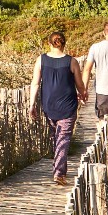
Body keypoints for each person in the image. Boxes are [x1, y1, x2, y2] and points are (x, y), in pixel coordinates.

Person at [36, 29, 87, 183]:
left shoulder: (41, 60)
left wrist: (32, 104)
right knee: (62, 139)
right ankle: (59, 173)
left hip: (48, 105)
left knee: (55, 138)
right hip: (68, 106)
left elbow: (35, 83)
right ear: (64, 44)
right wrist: (83, 94)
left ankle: (59, 171)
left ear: (49, 43)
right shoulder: (72, 61)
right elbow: (79, 84)